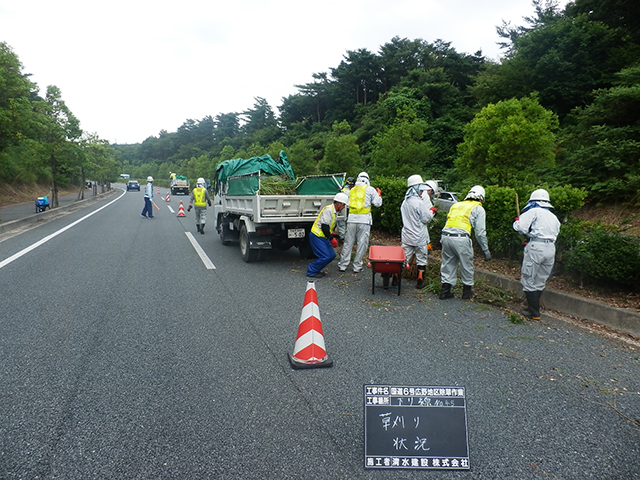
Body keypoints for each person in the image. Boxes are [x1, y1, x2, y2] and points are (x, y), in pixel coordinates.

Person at [513, 189, 561, 320]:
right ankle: (532, 308)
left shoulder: (533, 211)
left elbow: (521, 228)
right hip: (551, 248)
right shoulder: (553, 217)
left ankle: (534, 312)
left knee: (528, 278)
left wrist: (517, 222)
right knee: (540, 279)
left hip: (536, 247)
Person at [439, 185, 491, 300]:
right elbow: (480, 232)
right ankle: (466, 292)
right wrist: (485, 249)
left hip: (445, 236)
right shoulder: (478, 208)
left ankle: (445, 291)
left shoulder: (456, 205)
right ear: (481, 198)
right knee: (467, 265)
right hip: (461, 238)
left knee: (448, 263)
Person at [337, 172, 382, 273]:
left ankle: (342, 265)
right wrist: (379, 194)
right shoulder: (370, 189)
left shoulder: (351, 190)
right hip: (364, 220)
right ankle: (357, 267)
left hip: (352, 219)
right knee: (362, 243)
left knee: (348, 242)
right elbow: (378, 203)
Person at [401, 175, 437, 289]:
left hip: (407, 235)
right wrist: (432, 211)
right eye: (421, 190)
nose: (422, 192)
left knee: (403, 258)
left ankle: (396, 277)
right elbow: (426, 218)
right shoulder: (419, 203)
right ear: (416, 189)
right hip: (419, 236)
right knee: (422, 258)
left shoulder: (405, 202)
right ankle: (420, 280)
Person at [307, 192, 348, 279]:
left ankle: (317, 269)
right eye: (344, 205)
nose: (344, 207)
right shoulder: (329, 210)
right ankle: (311, 271)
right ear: (339, 203)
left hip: (323, 236)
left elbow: (327, 226)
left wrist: (331, 234)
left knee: (331, 255)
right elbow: (324, 226)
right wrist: (331, 238)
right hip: (317, 235)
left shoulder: (334, 211)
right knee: (325, 256)